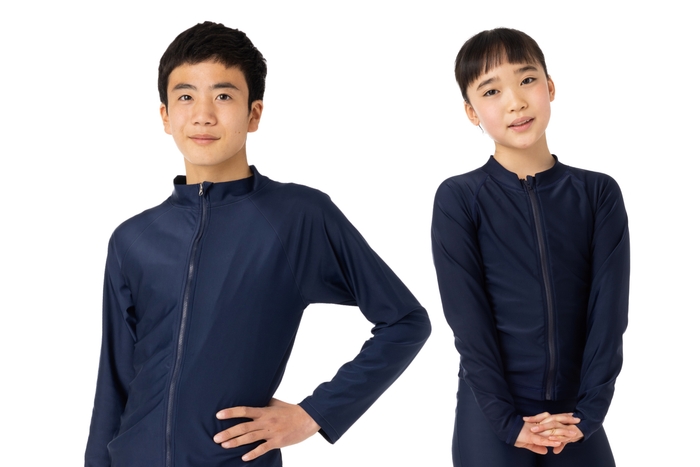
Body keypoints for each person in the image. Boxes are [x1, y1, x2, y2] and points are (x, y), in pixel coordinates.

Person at [85, 21, 431, 467]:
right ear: (166, 116)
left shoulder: (296, 217)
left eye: (223, 96)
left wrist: (314, 414)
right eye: (186, 97)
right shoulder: (133, 239)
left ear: (254, 114)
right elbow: (113, 385)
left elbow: (405, 321)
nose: (203, 115)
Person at [431, 28, 629, 466]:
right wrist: (507, 422)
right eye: (491, 91)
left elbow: (609, 314)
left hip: (576, 413)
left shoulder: (598, 194)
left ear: (550, 87)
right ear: (471, 112)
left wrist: (588, 415)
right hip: (491, 414)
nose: (515, 102)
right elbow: (468, 322)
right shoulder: (459, 199)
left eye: (526, 80)